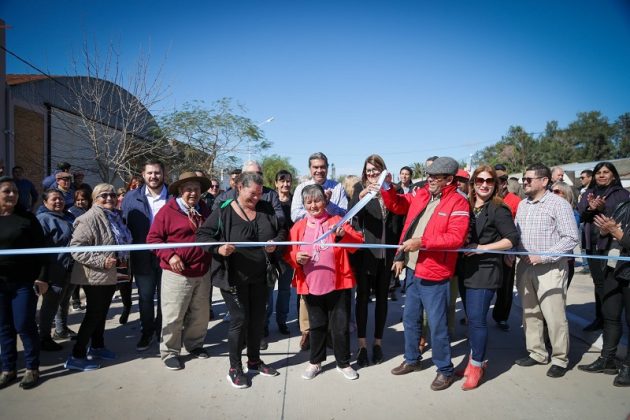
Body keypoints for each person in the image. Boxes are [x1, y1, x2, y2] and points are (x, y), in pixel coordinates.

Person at [382, 157, 469, 391]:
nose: (429, 180)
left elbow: (455, 238)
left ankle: (445, 370)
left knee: (438, 325)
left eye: (435, 177)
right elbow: (398, 206)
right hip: (412, 269)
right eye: (428, 176)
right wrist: (388, 187)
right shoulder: (421, 194)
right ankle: (412, 360)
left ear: (449, 179)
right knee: (410, 320)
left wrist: (422, 242)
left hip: (435, 273)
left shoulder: (459, 203)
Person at [197, 172, 285, 389]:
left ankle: (254, 361)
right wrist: (218, 248)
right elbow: (202, 236)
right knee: (240, 320)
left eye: (259, 194)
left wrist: (276, 242)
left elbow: (283, 230)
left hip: (261, 277)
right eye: (251, 194)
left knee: (257, 320)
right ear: (239, 188)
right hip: (234, 278)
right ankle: (234, 368)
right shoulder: (223, 212)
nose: (256, 198)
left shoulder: (265, 209)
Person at [286, 184, 363, 381]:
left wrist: (342, 234)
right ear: (303, 205)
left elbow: (358, 243)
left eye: (317, 200)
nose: (313, 205)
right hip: (311, 285)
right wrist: (296, 257)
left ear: (325, 201)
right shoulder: (298, 227)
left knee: (339, 326)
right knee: (317, 326)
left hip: (338, 284)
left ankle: (343, 363)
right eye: (308, 202)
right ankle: (315, 362)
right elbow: (288, 253)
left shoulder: (337, 221)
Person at [514, 163, 579, 378]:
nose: (525, 182)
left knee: (554, 316)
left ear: (544, 181)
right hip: (525, 267)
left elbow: (570, 238)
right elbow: (517, 234)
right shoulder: (523, 205)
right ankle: (537, 353)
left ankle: (560, 358)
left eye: (529, 179)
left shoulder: (558, 204)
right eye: (524, 179)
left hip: (550, 268)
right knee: (530, 314)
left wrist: (543, 256)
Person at [457, 165, 519, 390]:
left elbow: (511, 239)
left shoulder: (498, 208)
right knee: (472, 320)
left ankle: (476, 366)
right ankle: (472, 361)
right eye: (480, 180)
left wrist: (483, 248)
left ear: (495, 184)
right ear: (473, 183)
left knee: (477, 320)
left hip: (486, 270)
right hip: (465, 270)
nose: (484, 184)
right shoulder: (467, 205)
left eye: (489, 181)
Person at [147, 172, 212, 370]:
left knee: (200, 314)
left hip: (202, 271)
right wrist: (170, 255)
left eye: (197, 189)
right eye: (189, 189)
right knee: (173, 315)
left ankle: (194, 344)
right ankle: (169, 352)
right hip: (177, 274)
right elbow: (153, 240)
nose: (193, 193)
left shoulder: (204, 210)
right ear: (180, 190)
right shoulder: (168, 211)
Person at [64, 183, 132, 371]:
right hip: (94, 275)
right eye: (103, 195)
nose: (109, 198)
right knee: (93, 314)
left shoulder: (114, 216)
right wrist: (101, 261)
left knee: (101, 313)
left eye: (111, 194)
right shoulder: (89, 218)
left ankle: (97, 346)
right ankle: (76, 355)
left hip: (110, 274)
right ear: (95, 199)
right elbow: (76, 249)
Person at [350, 155, 402, 367]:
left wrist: (399, 255)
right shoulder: (359, 188)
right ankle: (362, 345)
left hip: (386, 257)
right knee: (362, 299)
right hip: (365, 256)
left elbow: (400, 222)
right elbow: (350, 213)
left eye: (376, 169)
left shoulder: (393, 189)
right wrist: (362, 194)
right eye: (369, 170)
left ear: (383, 170)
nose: (372, 173)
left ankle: (378, 343)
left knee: (383, 300)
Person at [0, 176, 48, 389]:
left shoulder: (27, 219)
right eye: (7, 191)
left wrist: (42, 277)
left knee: (23, 324)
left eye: (15, 192)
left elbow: (43, 251)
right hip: (0, 284)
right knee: (3, 327)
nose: (12, 195)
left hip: (23, 283)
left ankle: (31, 367)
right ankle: (8, 368)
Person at [578, 207, 630, 386]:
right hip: (614, 269)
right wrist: (604, 231)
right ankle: (607, 359)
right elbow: (604, 237)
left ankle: (628, 367)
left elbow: (621, 235)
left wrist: (616, 232)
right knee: (610, 316)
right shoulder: (624, 206)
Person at [122, 159, 170, 351]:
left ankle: (162, 331)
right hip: (142, 256)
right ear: (143, 175)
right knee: (145, 297)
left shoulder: (173, 196)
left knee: (166, 297)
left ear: (163, 174)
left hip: (167, 256)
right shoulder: (131, 197)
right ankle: (147, 331)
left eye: (157, 172)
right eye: (149, 173)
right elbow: (124, 226)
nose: (153, 176)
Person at [577, 162, 630, 332]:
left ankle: (612, 318)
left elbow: (622, 217)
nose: (601, 175)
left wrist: (603, 208)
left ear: (613, 175)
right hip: (592, 245)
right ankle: (600, 317)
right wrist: (591, 208)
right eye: (598, 172)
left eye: (606, 172)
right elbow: (582, 215)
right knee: (598, 282)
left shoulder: (622, 194)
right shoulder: (588, 193)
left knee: (613, 283)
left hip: (613, 246)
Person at [36, 189, 77, 351]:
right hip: (54, 269)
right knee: (50, 305)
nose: (58, 201)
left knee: (64, 301)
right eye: (54, 199)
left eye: (60, 198)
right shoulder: (43, 220)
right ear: (45, 203)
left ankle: (61, 329)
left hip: (71, 267)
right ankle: (44, 337)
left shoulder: (68, 217)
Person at [492, 166, 522, 331]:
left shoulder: (515, 201)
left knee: (505, 286)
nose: (497, 184)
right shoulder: (488, 198)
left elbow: (517, 229)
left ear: (505, 183)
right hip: (489, 247)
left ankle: (501, 317)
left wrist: (511, 251)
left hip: (507, 250)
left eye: (500, 181)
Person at [266, 170, 295, 336]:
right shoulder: (270, 201)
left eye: (288, 181)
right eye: (282, 181)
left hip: (287, 253)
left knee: (284, 290)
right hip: (270, 253)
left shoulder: (295, 202)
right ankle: (264, 323)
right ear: (276, 183)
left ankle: (282, 321)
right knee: (268, 290)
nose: (285, 184)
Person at [291, 152, 348, 222]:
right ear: (310, 168)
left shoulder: (338, 188)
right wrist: (318, 215)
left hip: (332, 231)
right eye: (315, 167)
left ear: (327, 167)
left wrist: (328, 204)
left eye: (322, 167)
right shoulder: (301, 188)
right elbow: (295, 215)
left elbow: (344, 214)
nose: (319, 170)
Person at [67, 188, 92, 313]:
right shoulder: (71, 212)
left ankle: (89, 299)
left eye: (83, 200)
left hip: (90, 247)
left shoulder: (91, 210)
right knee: (76, 277)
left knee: (89, 276)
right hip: (78, 247)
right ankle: (76, 301)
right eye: (78, 200)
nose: (81, 202)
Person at [551, 181, 580, 286]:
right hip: (548, 261)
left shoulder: (573, 213)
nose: (553, 194)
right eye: (551, 191)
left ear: (566, 194)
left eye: (557, 191)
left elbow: (570, 236)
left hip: (565, 260)